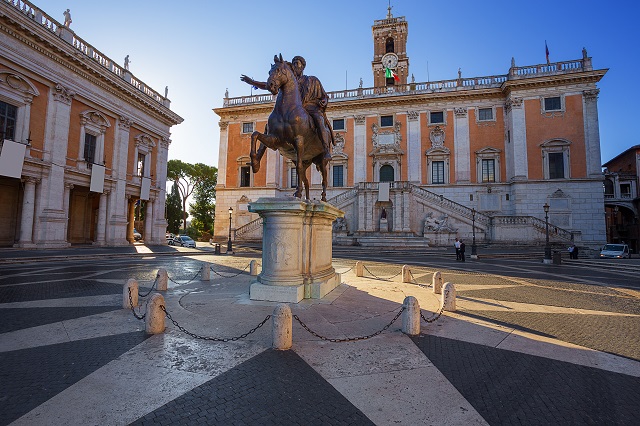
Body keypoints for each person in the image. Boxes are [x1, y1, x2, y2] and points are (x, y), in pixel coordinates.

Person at [240, 55, 334, 160]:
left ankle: (326, 150)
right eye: (293, 64)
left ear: (302, 67)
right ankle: (258, 156)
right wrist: (252, 82)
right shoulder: (286, 81)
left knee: (319, 119)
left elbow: (324, 95)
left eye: (297, 64)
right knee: (269, 126)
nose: (295, 66)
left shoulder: (312, 80)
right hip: (292, 111)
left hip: (310, 107)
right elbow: (269, 85)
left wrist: (324, 100)